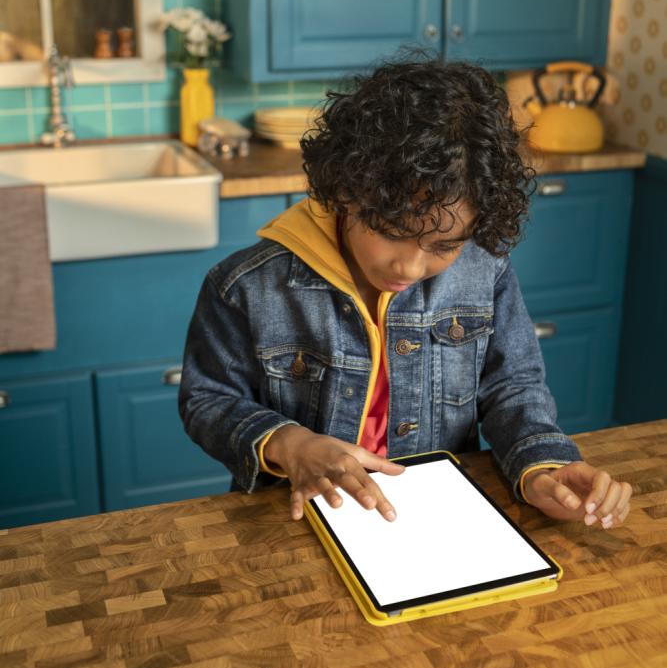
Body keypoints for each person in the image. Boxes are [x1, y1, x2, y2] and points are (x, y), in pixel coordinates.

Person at [179, 56, 632, 529]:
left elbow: (512, 386)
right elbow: (208, 400)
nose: (411, 266)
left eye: (444, 245)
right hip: (291, 516)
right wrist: (289, 444)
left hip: (431, 519)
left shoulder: (486, 272)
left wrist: (542, 466)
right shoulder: (245, 286)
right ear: (348, 189)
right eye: (394, 230)